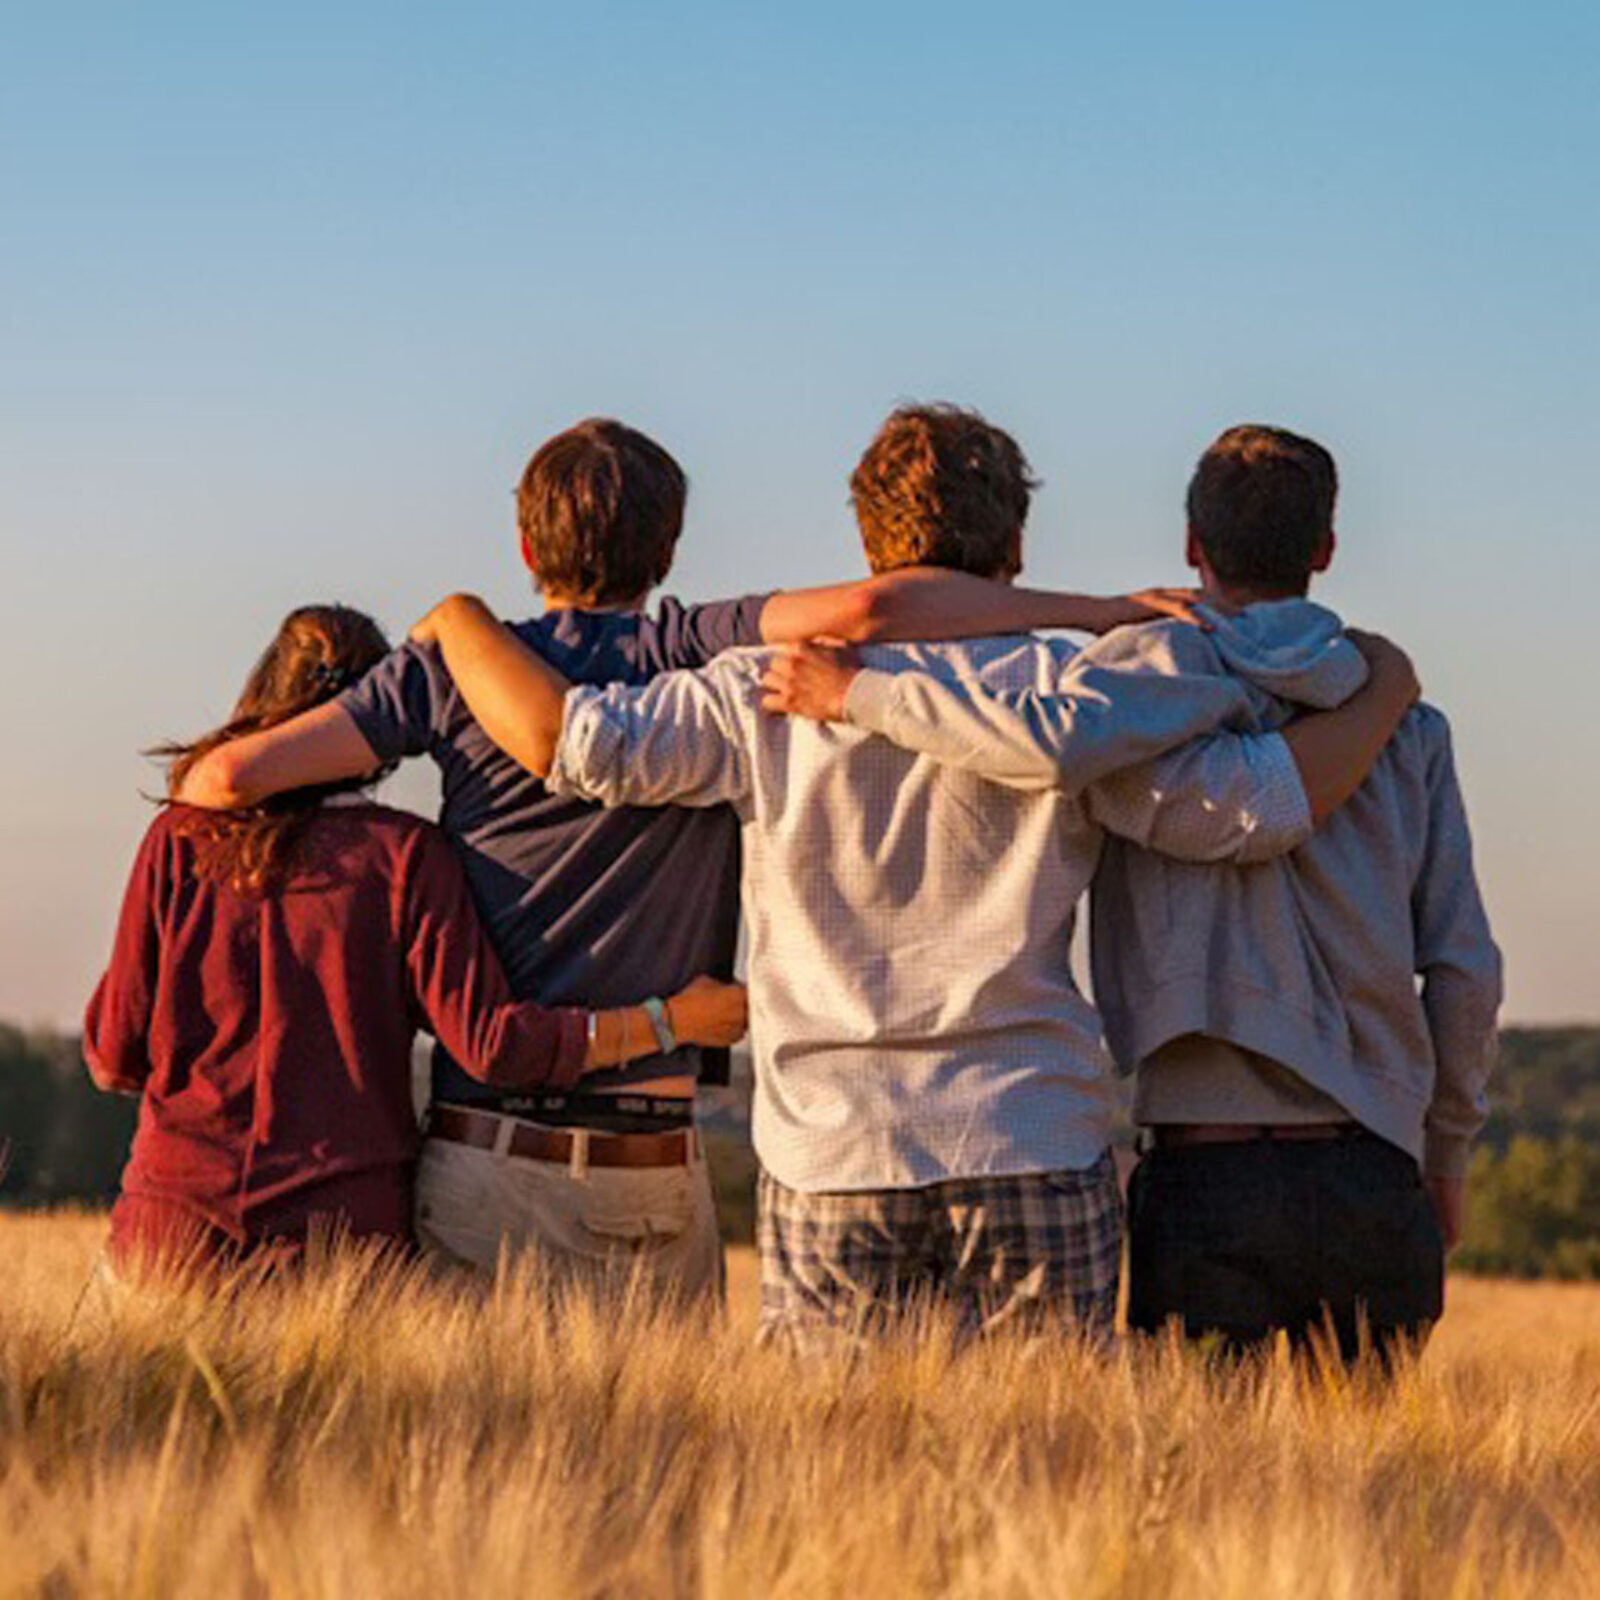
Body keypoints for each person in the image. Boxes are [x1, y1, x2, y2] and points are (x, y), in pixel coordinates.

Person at [409, 403, 1420, 1352]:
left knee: (836, 1488)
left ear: (867, 545)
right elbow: (1244, 813)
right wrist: (1381, 693)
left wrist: (459, 621)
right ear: (1013, 549)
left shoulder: (757, 688)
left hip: (832, 1148)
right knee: (1047, 1482)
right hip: (1032, 1131)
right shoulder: (1075, 688)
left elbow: (579, 746)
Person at [172, 417, 1204, 1301]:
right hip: (659, 1161)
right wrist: (1098, 611)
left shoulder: (451, 671)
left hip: (488, 1150)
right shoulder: (695, 647)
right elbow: (874, 611)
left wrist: (433, 670)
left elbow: (223, 783)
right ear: (667, 550)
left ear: (524, 546)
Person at [765, 424, 1501, 1362]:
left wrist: (862, 694)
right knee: (1372, 1500)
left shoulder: (1126, 702)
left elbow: (1045, 747)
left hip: (1205, 1176)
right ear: (1324, 550)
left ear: (1193, 546)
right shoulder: (1406, 724)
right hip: (1376, 1169)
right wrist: (1446, 1152)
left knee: (1192, 1496)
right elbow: (1467, 970)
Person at [85, 604, 747, 1282]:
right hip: (342, 1245)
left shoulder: (178, 841)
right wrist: (672, 1021)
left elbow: (114, 1057)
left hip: (171, 1234)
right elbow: (495, 1046)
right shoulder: (405, 857)